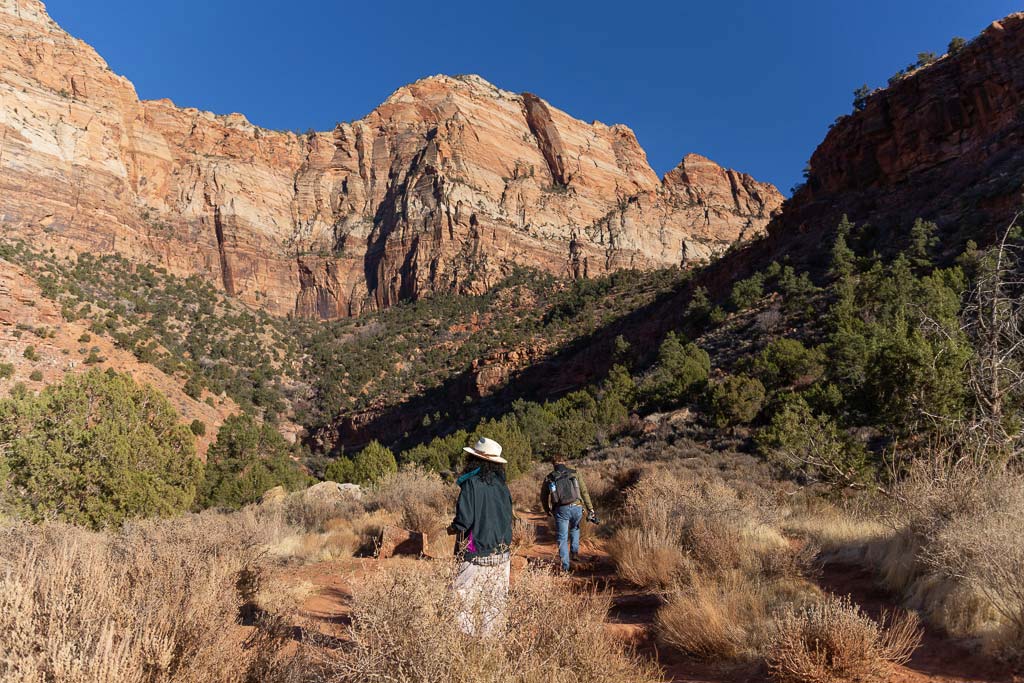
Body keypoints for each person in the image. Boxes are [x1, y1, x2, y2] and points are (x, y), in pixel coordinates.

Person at [449, 436, 514, 636]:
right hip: (501, 554)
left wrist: (452, 528)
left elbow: (464, 521)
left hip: (475, 554)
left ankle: (465, 647)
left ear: (475, 460)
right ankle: (490, 649)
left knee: (463, 604)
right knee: (494, 606)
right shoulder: (502, 486)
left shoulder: (471, 484)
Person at [540, 456, 597, 572]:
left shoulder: (549, 477)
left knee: (562, 538)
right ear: (565, 462)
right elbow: (584, 492)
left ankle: (565, 568)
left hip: (561, 510)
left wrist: (547, 510)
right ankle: (574, 553)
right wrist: (590, 508)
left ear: (553, 464)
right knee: (575, 528)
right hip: (577, 507)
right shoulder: (575, 473)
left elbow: (544, 496)